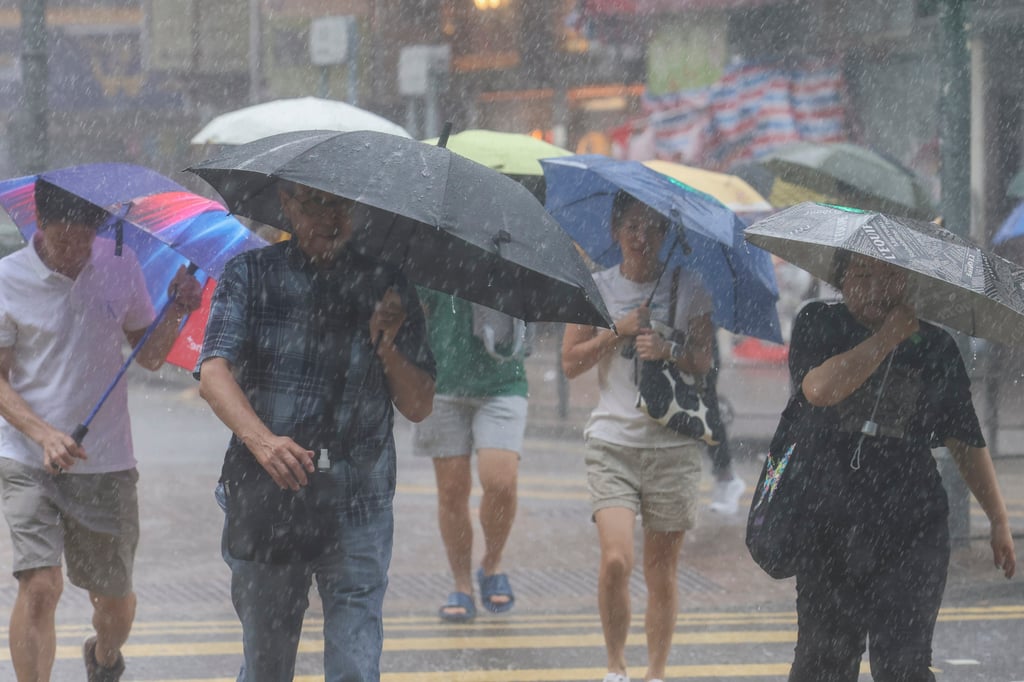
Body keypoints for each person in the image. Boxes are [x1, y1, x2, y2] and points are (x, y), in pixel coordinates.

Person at [196, 183, 435, 681]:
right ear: (286, 203)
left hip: (358, 500)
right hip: (271, 493)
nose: (331, 217)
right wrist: (263, 442)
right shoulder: (251, 275)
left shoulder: (387, 285)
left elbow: (418, 405)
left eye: (341, 204)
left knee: (354, 662)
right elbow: (213, 375)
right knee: (267, 663)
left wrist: (388, 342)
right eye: (315, 204)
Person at [0, 179, 201, 682]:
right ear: (38, 226)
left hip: (106, 461)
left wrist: (177, 306)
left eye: (82, 239)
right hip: (27, 457)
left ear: (99, 231)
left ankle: (105, 654)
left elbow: (150, 356)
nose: (72, 251)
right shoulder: (7, 278)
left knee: (113, 601)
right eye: (60, 239)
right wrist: (44, 433)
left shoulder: (119, 266)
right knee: (40, 586)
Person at [785, 251, 1016, 681]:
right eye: (863, 273)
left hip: (912, 526)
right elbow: (818, 389)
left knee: (903, 666)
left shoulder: (935, 345)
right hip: (828, 524)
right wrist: (885, 340)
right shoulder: (818, 322)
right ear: (841, 279)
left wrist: (998, 518)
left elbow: (964, 436)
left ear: (909, 283)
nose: (876, 287)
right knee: (824, 664)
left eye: (890, 275)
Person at [561, 192, 713, 682]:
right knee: (616, 561)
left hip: (672, 446)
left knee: (661, 571)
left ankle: (656, 672)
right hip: (613, 443)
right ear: (614, 232)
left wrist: (669, 349)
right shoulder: (596, 288)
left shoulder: (689, 288)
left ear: (666, 236)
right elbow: (569, 363)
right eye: (631, 226)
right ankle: (615, 666)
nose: (641, 237)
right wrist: (617, 332)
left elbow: (704, 363)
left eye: (651, 228)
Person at [412, 291, 528, 622]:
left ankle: (492, 563)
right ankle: (462, 585)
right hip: (442, 381)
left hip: (504, 381)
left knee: (501, 481)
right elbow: (411, 309)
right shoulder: (432, 249)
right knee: (451, 490)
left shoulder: (508, 246)